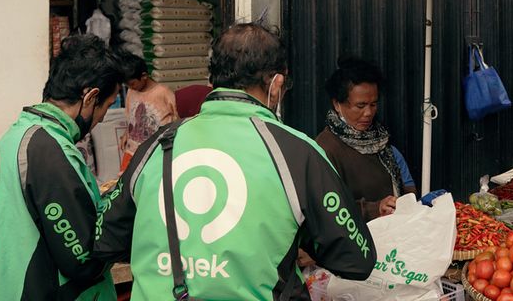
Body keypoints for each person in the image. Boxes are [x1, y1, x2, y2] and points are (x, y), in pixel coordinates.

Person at [95, 24, 376, 300]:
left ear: (212, 82)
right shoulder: (297, 151)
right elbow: (357, 259)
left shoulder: (155, 145)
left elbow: (103, 238)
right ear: (276, 83)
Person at [0, 34, 123, 300]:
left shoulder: (18, 135)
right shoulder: (47, 150)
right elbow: (82, 259)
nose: (103, 118)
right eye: (106, 106)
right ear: (91, 97)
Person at [316, 57, 417, 221]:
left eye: (374, 104)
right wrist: (374, 209)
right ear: (337, 104)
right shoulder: (326, 148)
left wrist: (406, 201)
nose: (369, 113)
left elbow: (406, 186)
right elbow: (326, 207)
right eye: (360, 106)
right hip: (357, 242)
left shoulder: (380, 140)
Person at [118, 53, 178, 172]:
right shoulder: (131, 92)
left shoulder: (163, 93)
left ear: (144, 76)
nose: (131, 87)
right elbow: (131, 118)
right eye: (127, 85)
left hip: (155, 152)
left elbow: (177, 119)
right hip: (132, 151)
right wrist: (126, 134)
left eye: (132, 83)